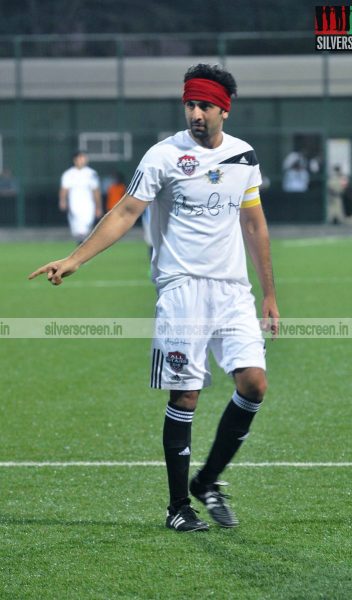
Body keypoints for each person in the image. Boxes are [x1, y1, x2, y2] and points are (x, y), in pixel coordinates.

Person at [29, 63, 279, 533]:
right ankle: (177, 507)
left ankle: (208, 481)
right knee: (186, 394)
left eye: (204, 105)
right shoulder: (164, 156)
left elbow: (254, 223)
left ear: (224, 109)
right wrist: (76, 258)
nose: (195, 113)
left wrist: (269, 294)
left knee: (254, 384)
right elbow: (125, 212)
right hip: (182, 288)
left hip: (232, 291)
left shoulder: (244, 157)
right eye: (190, 104)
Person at [59, 151, 103, 244]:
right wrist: (62, 201)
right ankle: (81, 241)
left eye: (83, 158)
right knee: (78, 226)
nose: (82, 160)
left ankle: (81, 241)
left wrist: (98, 206)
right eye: (80, 158)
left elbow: (96, 190)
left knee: (87, 223)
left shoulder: (91, 173)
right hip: (74, 203)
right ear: (75, 160)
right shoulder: (68, 174)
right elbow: (64, 189)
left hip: (88, 203)